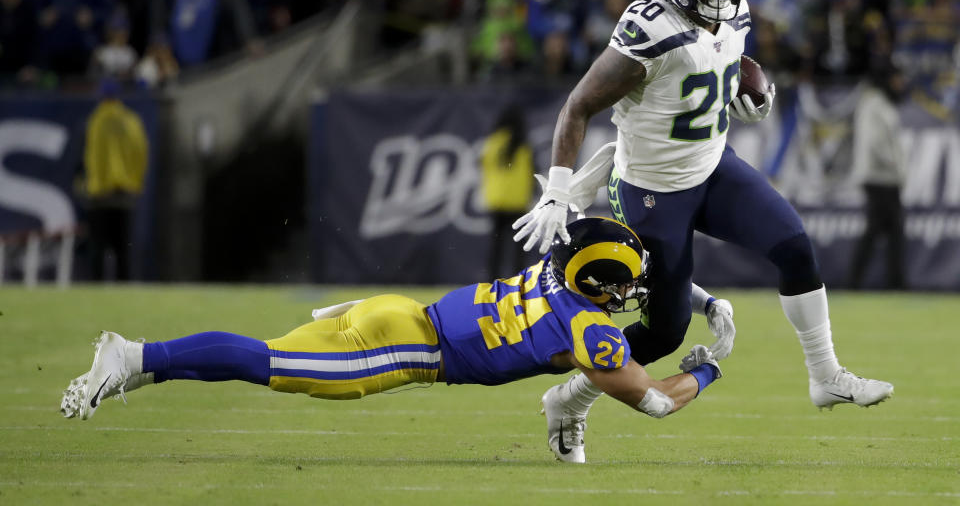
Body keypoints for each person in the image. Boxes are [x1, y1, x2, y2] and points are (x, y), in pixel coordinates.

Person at [512, 0, 893, 462]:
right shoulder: (651, 27)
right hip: (650, 189)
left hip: (712, 167)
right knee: (665, 332)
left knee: (794, 246)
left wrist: (746, 88)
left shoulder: (735, 11)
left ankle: (826, 374)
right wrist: (557, 190)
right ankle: (570, 399)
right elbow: (578, 105)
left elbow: (724, 62)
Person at [61, 218, 725, 462]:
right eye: (625, 286)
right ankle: (135, 355)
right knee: (268, 364)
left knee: (263, 354)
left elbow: (606, 256)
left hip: (399, 312)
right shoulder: (589, 332)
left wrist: (692, 298)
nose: (632, 295)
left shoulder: (560, 263)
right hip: (410, 351)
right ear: (601, 285)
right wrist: (710, 367)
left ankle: (138, 369)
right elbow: (657, 401)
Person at [81, 80, 149, 280]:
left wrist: (91, 185)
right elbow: (141, 154)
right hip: (125, 194)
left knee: (98, 251)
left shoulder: (95, 121)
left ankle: (95, 298)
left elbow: (87, 156)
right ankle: (123, 295)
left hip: (100, 195)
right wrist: (136, 183)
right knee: (123, 251)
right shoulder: (132, 121)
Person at [847, 68, 907, 289]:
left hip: (884, 179)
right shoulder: (875, 104)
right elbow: (876, 143)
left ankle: (891, 282)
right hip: (880, 178)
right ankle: (860, 282)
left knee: (886, 233)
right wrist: (896, 166)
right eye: (898, 78)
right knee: (883, 233)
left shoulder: (880, 103)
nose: (901, 83)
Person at [480, 105, 535, 280]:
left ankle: (492, 282)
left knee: (496, 247)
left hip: (496, 201)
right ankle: (517, 281)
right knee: (519, 248)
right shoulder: (523, 145)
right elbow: (532, 173)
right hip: (518, 202)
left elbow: (483, 165)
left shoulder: (492, 143)